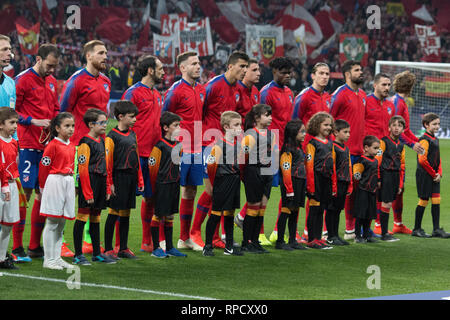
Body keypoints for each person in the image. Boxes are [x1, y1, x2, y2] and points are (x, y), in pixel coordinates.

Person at [190, 51, 248, 250]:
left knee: (222, 192)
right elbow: (200, 110)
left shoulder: (238, 90)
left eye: (246, 67)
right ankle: (195, 232)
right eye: (242, 66)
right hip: (209, 143)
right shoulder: (214, 85)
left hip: (228, 145)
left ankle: (215, 237)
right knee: (210, 190)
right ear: (230, 66)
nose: (244, 70)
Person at [60, 40, 110, 255]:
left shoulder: (107, 81)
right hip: (78, 147)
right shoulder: (76, 80)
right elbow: (63, 111)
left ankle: (89, 240)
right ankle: (59, 240)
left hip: (98, 147)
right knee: (70, 192)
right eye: (100, 53)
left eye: (106, 53)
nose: (105, 56)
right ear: (88, 55)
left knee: (95, 193)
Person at [14, 44, 60, 261]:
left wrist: (56, 123)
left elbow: (56, 109)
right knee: (25, 194)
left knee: (43, 193)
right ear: (38, 59)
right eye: (49, 65)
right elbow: (12, 111)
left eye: (55, 67)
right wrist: (33, 121)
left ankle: (34, 246)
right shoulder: (22, 79)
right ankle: (16, 247)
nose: (52, 70)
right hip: (26, 145)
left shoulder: (52, 82)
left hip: (46, 146)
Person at [284, 62, 331, 244]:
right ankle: (287, 232)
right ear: (312, 75)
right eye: (321, 73)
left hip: (321, 153)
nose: (325, 76)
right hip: (304, 152)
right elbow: (294, 123)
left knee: (315, 194)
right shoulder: (304, 96)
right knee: (294, 193)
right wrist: (295, 149)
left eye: (327, 73)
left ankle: (309, 231)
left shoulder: (327, 97)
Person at [163, 51, 205, 251]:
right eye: (194, 63)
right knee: (170, 190)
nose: (198, 66)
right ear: (183, 68)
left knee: (191, 190)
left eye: (199, 63)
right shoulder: (175, 91)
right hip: (179, 149)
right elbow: (164, 119)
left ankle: (184, 238)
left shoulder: (201, 90)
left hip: (197, 148)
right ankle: (162, 238)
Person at [122, 55, 164, 253]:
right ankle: (118, 245)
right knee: (125, 199)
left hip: (154, 154)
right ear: (150, 70)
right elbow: (122, 121)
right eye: (160, 68)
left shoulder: (157, 94)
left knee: (152, 197)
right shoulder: (133, 93)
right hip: (134, 153)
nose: (163, 72)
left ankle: (147, 241)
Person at [257, 57, 295, 245]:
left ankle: (278, 233)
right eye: (283, 72)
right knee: (265, 191)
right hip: (270, 147)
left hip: (286, 147)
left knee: (287, 190)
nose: (287, 76)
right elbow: (262, 122)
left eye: (289, 73)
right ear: (274, 72)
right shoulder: (266, 93)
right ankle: (259, 232)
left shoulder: (289, 92)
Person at [72, 109, 116, 265]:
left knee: (96, 218)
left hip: (100, 183)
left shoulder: (101, 141)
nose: (105, 125)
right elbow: (82, 169)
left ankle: (97, 253)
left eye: (106, 122)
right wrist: (87, 192)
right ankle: (78, 255)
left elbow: (105, 165)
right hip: (89, 183)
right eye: (102, 122)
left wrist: (107, 186)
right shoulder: (85, 142)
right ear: (91, 124)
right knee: (82, 217)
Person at [330, 60, 367, 240]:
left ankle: (350, 230)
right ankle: (325, 229)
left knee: (354, 192)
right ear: (347, 74)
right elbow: (328, 120)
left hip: (359, 152)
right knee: (338, 191)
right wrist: (333, 147)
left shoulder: (363, 95)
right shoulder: (339, 94)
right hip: (343, 152)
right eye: (357, 70)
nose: (361, 72)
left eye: (361, 70)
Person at [103, 101, 144, 260]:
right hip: (118, 178)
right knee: (114, 213)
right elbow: (108, 162)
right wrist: (110, 183)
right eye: (132, 117)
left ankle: (123, 248)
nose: (135, 119)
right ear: (120, 117)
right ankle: (107, 249)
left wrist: (140, 180)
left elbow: (137, 158)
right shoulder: (111, 136)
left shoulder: (133, 134)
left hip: (131, 177)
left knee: (126, 213)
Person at [39, 112, 76, 270]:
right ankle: (48, 260)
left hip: (68, 181)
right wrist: (42, 188)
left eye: (73, 126)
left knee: (61, 223)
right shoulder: (52, 145)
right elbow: (44, 166)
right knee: (52, 221)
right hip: (55, 182)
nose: (71, 129)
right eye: (67, 126)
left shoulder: (72, 145)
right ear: (57, 128)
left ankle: (57, 257)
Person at [203, 111, 243, 257]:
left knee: (230, 213)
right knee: (215, 214)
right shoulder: (219, 146)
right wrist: (214, 184)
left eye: (240, 124)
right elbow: (210, 167)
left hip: (234, 181)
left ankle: (229, 246)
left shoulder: (239, 145)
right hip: (222, 181)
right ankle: (208, 245)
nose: (240, 128)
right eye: (236, 125)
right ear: (226, 127)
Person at [389, 70, 424, 235]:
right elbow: (396, 129)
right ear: (410, 87)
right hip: (392, 149)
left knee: (399, 187)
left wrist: (420, 142)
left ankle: (398, 223)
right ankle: (378, 226)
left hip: (399, 149)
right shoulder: (398, 103)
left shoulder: (401, 102)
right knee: (389, 187)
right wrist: (412, 144)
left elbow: (406, 129)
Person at [148, 111, 187, 258]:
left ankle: (170, 247)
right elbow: (153, 168)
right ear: (165, 128)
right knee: (158, 215)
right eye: (176, 125)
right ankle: (156, 248)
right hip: (162, 184)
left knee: (170, 215)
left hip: (174, 184)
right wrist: (156, 187)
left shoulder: (178, 145)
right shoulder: (159, 146)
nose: (179, 128)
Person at [241, 104, 275, 254]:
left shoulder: (271, 134)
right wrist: (245, 176)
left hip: (267, 172)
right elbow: (243, 157)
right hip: (253, 171)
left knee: (262, 208)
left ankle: (255, 241)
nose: (270, 118)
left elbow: (273, 153)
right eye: (267, 115)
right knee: (253, 207)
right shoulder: (250, 135)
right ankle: (246, 242)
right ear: (256, 118)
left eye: (270, 115)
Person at [413, 113, 449, 238]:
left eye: (438, 124)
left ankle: (436, 229)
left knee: (436, 199)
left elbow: (438, 159)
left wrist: (440, 173)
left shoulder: (436, 139)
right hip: (424, 174)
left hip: (434, 175)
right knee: (424, 200)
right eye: (434, 124)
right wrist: (434, 174)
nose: (437, 126)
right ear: (426, 125)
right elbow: (422, 160)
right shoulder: (424, 140)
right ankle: (416, 229)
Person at [304, 112, 336, 249]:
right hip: (315, 179)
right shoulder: (312, 144)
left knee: (321, 209)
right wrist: (310, 185)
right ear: (317, 126)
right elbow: (309, 165)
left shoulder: (330, 143)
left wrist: (334, 184)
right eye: (325, 125)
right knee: (314, 209)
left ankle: (318, 238)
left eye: (330, 125)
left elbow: (333, 163)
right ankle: (311, 239)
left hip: (326, 180)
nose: (329, 127)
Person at [276, 119, 307, 251]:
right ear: (294, 133)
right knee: (286, 210)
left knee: (295, 211)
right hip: (291, 183)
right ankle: (280, 241)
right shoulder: (288, 149)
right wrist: (289, 189)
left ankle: (292, 240)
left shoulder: (298, 147)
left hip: (299, 181)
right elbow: (286, 169)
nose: (305, 134)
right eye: (302, 131)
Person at [375, 116, 405, 242]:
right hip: (385, 174)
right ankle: (384, 233)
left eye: (399, 125)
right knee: (386, 203)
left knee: (389, 203)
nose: (396, 128)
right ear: (389, 128)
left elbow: (402, 165)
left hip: (395, 176)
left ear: (403, 129)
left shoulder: (401, 145)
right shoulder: (383, 142)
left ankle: (384, 232)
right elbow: (377, 160)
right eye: (394, 125)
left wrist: (400, 183)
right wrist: (378, 178)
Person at [326, 119, 352, 246]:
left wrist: (349, 183)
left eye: (349, 132)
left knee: (338, 210)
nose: (348, 135)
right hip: (335, 183)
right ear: (336, 132)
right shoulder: (332, 147)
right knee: (331, 209)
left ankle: (336, 235)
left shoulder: (345, 148)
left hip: (344, 182)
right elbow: (332, 167)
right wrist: (333, 184)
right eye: (345, 132)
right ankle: (330, 236)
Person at [352, 135, 381, 243]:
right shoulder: (362, 160)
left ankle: (366, 235)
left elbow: (376, 173)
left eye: (378, 148)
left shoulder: (375, 161)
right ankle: (357, 236)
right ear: (366, 148)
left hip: (372, 192)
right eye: (375, 148)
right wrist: (356, 174)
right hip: (363, 191)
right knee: (361, 214)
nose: (377, 150)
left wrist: (378, 181)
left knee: (369, 214)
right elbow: (357, 171)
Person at [0, 107, 17, 269]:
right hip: (1, 185)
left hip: (11, 184)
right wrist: (4, 185)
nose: (15, 126)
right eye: (11, 123)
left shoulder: (13, 142)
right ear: (0, 124)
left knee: (8, 224)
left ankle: (1, 258)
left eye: (16, 123)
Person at [0, 35, 15, 111]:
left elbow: (12, 112)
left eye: (10, 49)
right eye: (4, 49)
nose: (10, 53)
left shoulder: (11, 83)